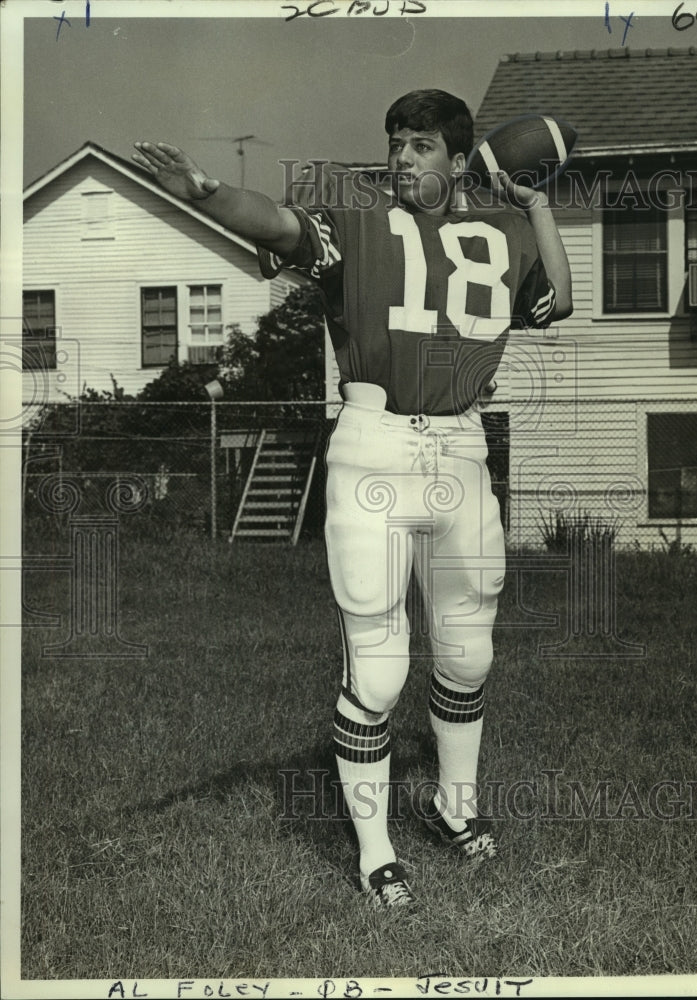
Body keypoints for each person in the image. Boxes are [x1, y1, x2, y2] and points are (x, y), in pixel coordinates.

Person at [133, 89, 572, 909]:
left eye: (421, 147)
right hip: (376, 445)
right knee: (376, 666)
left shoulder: (503, 232)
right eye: (396, 144)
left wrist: (537, 202)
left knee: (469, 652)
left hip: (464, 450)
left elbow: (558, 296)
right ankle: (375, 852)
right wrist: (205, 194)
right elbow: (277, 223)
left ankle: (453, 807)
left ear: (456, 156)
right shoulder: (358, 222)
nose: (402, 159)